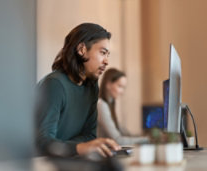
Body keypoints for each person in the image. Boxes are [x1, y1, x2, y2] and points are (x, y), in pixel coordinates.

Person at [35, 23, 121, 158]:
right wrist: (80, 147)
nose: (106, 61)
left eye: (107, 55)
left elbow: (90, 136)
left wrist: (73, 148)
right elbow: (43, 143)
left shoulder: (91, 87)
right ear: (82, 49)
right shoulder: (54, 84)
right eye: (102, 53)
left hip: (69, 161)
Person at [97, 68, 149, 145]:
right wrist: (147, 139)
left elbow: (125, 133)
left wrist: (146, 137)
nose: (122, 92)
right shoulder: (101, 105)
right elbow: (118, 140)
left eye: (124, 88)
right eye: (120, 86)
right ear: (108, 85)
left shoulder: (110, 105)